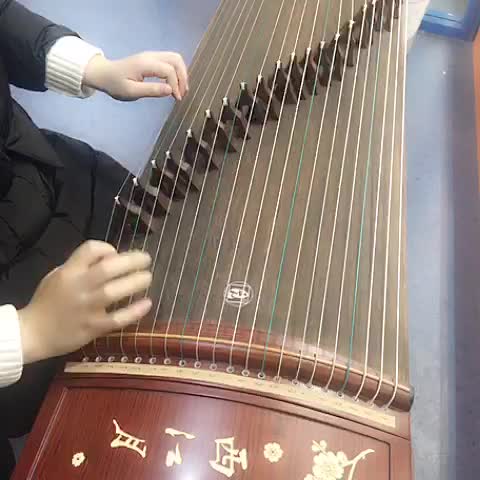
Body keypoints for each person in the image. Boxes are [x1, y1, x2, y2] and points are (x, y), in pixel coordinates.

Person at [0, 0, 188, 476]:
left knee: (158, 234)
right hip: (13, 318)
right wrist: (29, 332)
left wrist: (96, 69)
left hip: (36, 170)